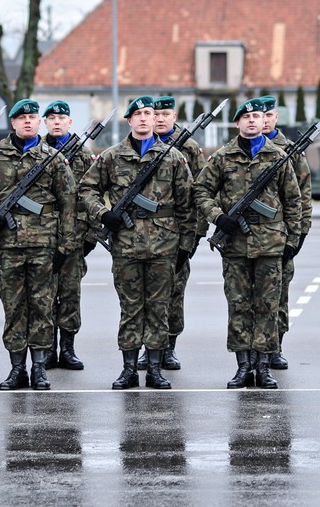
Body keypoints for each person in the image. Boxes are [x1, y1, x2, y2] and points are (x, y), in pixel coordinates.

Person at [0, 98, 77, 391]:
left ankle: (38, 368)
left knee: (41, 307)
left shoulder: (51, 158)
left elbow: (69, 204)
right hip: (8, 246)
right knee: (13, 309)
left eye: (32, 117)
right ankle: (16, 369)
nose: (27, 121)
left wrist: (66, 247)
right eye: (21, 117)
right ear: (12, 123)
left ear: (39, 122)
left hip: (44, 245)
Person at [79, 96, 195, 390]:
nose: (144, 118)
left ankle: (155, 368)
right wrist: (103, 214)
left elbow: (187, 206)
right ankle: (129, 369)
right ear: (128, 121)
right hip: (126, 246)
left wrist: (185, 246)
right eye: (138, 114)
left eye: (148, 113)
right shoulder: (111, 157)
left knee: (158, 308)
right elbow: (87, 190)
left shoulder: (172, 157)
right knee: (130, 307)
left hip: (163, 246)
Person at [194, 97, 302, 389]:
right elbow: (200, 191)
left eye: (257, 116)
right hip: (235, 244)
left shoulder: (278, 156)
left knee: (267, 305)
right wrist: (218, 217)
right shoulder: (222, 157)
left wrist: (293, 239)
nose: (253, 120)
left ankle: (264, 367)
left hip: (271, 243)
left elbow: (293, 201)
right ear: (238, 123)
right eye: (247, 117)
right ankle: (243, 367)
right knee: (239, 305)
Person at [134, 95, 208, 371]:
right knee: (143, 297)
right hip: (142, 235)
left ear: (174, 117)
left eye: (166, 114)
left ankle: (169, 347)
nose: (161, 118)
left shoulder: (188, 148)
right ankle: (147, 348)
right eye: (157, 114)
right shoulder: (142, 145)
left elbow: (199, 193)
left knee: (174, 295)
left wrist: (194, 237)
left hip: (176, 235)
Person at [41, 99, 95, 371]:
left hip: (73, 238)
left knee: (70, 295)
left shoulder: (84, 155)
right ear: (46, 123)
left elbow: (91, 196)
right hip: (43, 237)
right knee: (45, 295)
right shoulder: (37, 152)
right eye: (51, 118)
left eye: (62, 118)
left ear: (70, 122)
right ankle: (48, 349)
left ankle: (68, 348)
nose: (57, 122)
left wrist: (89, 238)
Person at [259, 95, 312, 370]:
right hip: (249, 236)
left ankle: (275, 346)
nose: (264, 121)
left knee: (279, 294)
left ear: (276, 117)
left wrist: (300, 234)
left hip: (281, 234)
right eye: (259, 116)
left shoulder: (291, 150)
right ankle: (253, 351)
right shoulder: (246, 150)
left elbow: (303, 194)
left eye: (268, 115)